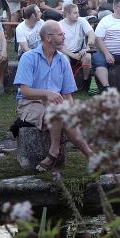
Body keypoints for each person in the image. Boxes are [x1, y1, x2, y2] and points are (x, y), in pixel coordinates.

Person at [14, 21, 94, 172]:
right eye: (61, 34)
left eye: (63, 34)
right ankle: (62, 152)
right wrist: (47, 94)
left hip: (57, 104)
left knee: (63, 112)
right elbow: (25, 92)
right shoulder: (28, 57)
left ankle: (77, 154)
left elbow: (67, 95)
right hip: (30, 103)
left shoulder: (63, 60)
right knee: (57, 108)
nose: (64, 37)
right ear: (48, 38)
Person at [58, 3, 94, 86]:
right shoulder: (59, 25)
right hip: (66, 52)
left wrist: (87, 48)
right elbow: (59, 46)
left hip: (80, 50)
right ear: (67, 14)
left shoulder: (81, 20)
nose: (78, 14)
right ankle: (67, 84)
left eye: (78, 12)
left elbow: (91, 33)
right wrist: (73, 55)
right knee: (64, 60)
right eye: (75, 13)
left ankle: (86, 81)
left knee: (88, 57)